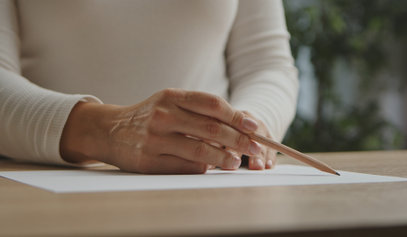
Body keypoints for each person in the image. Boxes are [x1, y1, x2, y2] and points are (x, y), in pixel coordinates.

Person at [0, 0, 298, 174]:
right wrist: (105, 132)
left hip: (213, 187)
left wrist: (248, 126)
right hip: (48, 192)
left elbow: (267, 64)